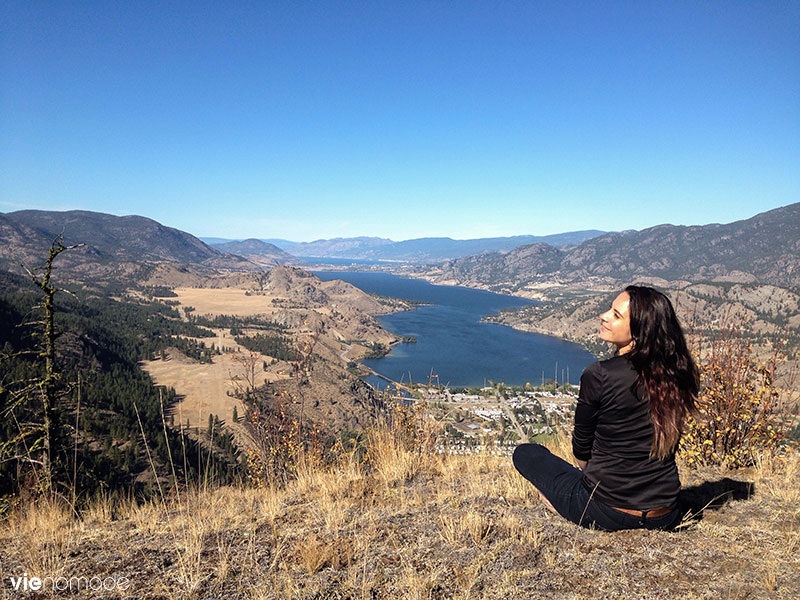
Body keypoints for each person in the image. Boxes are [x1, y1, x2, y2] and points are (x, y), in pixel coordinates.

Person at [512, 285, 699, 531]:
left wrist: (595, 479)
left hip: (607, 512)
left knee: (525, 453)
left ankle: (561, 503)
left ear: (640, 331)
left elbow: (581, 450)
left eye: (616, 315)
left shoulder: (600, 374)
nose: (604, 316)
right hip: (665, 513)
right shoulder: (679, 372)